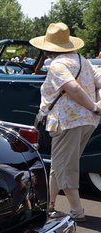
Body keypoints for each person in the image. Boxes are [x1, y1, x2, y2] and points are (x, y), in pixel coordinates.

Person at [30, 22, 101, 222]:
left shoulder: (57, 65)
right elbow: (99, 81)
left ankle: (77, 211)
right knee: (60, 164)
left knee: (66, 167)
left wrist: (94, 106)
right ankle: (49, 205)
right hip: (87, 121)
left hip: (67, 121)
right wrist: (96, 105)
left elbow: (73, 89)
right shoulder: (82, 60)